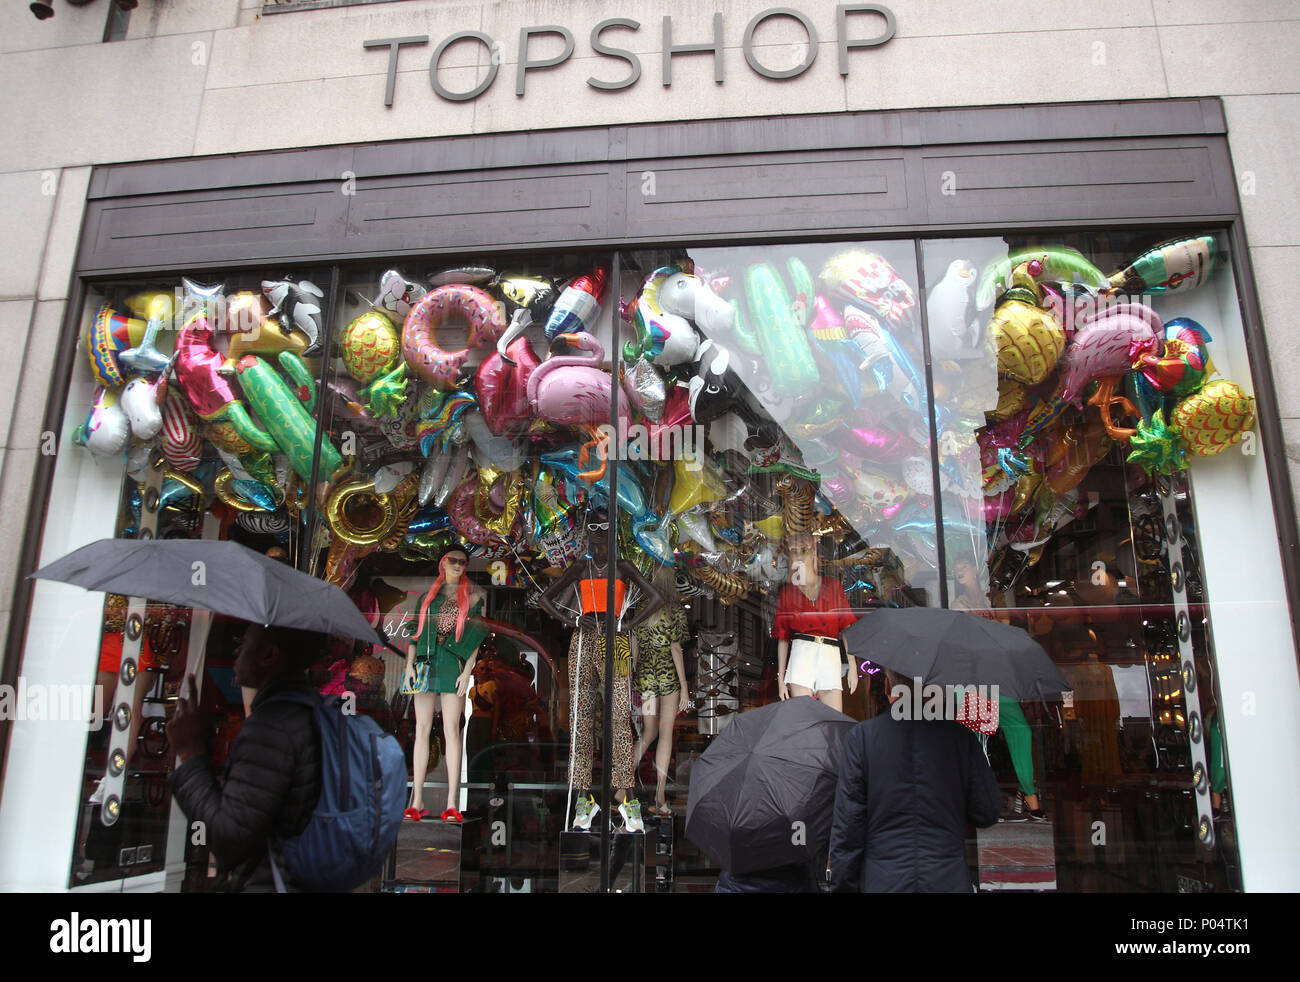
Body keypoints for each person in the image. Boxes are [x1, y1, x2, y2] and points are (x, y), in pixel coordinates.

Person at [166, 622, 324, 893]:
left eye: (245, 640)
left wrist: (190, 753)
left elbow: (228, 838)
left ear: (269, 655)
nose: (236, 649)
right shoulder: (309, 714)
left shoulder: (272, 728)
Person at [538, 507, 662, 832]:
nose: (597, 532)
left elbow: (656, 597)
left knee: (619, 717)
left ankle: (628, 800)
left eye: (603, 527)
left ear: (612, 530)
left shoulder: (621, 566)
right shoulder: (582, 566)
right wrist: (574, 620)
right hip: (583, 638)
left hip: (616, 640)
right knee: (581, 717)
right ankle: (583, 801)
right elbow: (546, 599)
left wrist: (627, 624)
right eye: (592, 527)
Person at [828, 669, 1001, 892]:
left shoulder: (862, 738)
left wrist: (842, 887)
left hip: (883, 882)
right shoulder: (960, 739)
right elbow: (987, 812)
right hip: (947, 880)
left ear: (889, 689)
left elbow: (848, 830)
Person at [403, 547, 489, 824]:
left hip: (452, 663)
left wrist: (468, 670)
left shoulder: (472, 598)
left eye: (462, 562)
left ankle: (452, 801)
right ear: (442, 562)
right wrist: (408, 666)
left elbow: (476, 636)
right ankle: (416, 800)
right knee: (422, 729)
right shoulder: (429, 598)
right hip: (426, 663)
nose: (457, 565)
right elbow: (414, 635)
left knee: (452, 730)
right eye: (452, 560)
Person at [631, 564, 691, 817]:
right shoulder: (674, 609)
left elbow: (633, 644)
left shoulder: (640, 608)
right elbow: (676, 649)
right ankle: (660, 795)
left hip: (645, 678)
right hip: (667, 678)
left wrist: (633, 674)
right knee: (666, 732)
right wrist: (685, 688)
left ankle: (621, 783)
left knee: (648, 732)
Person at [774, 533, 858, 712]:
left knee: (833, 720)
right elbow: (782, 637)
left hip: (829, 653)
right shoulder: (788, 594)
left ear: (813, 553)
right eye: (794, 551)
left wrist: (853, 665)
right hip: (801, 653)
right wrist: (781, 678)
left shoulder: (833, 587)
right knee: (803, 720)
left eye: (804, 550)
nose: (798, 556)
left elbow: (847, 628)